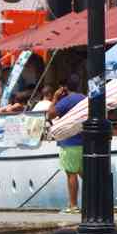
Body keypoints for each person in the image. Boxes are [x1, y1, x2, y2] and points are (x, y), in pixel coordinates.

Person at [48, 75, 86, 213]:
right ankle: (90, 204)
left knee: (71, 174)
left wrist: (55, 98)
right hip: (84, 140)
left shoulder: (66, 101)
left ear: (64, 87)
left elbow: (50, 114)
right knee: (85, 175)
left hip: (69, 141)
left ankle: (73, 205)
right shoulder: (84, 98)